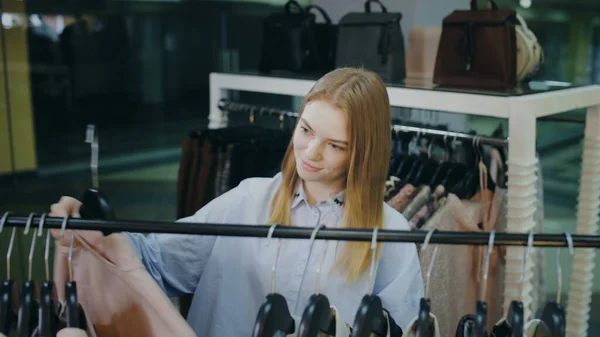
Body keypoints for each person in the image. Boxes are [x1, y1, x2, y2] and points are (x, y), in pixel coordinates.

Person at [50, 67, 425, 336]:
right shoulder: (248, 200)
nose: (310, 152)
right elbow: (157, 262)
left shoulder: (390, 234)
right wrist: (92, 230)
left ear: (362, 153)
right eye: (305, 130)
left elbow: (404, 328)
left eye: (334, 145)